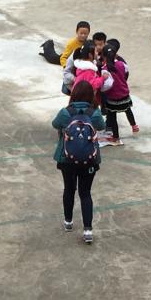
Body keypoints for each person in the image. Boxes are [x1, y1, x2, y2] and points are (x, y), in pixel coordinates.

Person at [52, 80, 105, 244]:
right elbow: (101, 126)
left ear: (73, 94)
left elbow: (55, 124)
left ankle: (68, 222)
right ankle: (88, 230)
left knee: (69, 189)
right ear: (91, 95)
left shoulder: (65, 112)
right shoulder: (94, 113)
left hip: (66, 159)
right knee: (85, 193)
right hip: (90, 160)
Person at [100, 42, 138, 146]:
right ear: (115, 54)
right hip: (124, 94)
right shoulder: (121, 64)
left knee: (112, 117)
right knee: (128, 110)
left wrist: (102, 90)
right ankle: (134, 125)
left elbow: (107, 85)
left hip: (113, 97)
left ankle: (115, 136)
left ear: (103, 56)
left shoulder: (105, 70)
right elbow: (126, 73)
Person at [72, 41, 113, 106]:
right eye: (96, 51)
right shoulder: (88, 70)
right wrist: (102, 78)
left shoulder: (82, 66)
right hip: (85, 99)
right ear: (90, 55)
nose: (97, 53)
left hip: (80, 96)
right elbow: (92, 85)